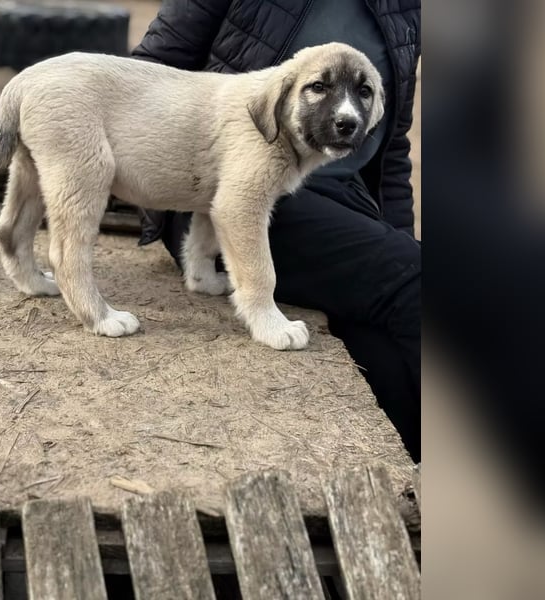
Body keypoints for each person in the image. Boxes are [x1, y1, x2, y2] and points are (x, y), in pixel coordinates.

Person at [131, 0, 421, 462]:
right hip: (242, 187)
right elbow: (144, 76)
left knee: (387, 341)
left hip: (343, 199)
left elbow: (393, 144)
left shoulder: (406, 10)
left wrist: (397, 245)